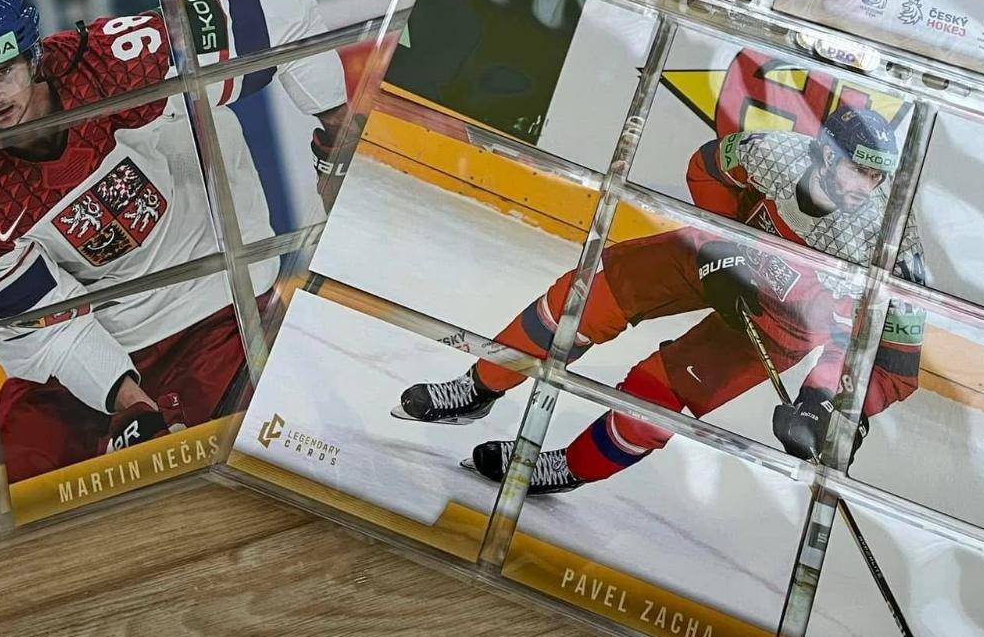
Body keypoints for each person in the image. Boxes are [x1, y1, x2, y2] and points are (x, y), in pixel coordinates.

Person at [0, 0, 354, 495]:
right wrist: (128, 402)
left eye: (4, 72)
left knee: (296, 476)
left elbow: (286, 13)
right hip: (81, 358)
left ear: (33, 57)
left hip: (216, 308)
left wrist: (338, 139)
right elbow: (35, 325)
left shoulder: (116, 62)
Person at [396, 105, 927, 494]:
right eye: (859, 170)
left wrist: (826, 403)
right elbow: (707, 166)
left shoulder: (886, 244)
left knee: (659, 396)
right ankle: (477, 386)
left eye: (877, 176)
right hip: (723, 254)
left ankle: (566, 468)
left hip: (784, 320)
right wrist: (721, 243)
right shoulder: (774, 153)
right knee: (588, 296)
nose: (867, 187)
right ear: (826, 153)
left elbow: (891, 362)